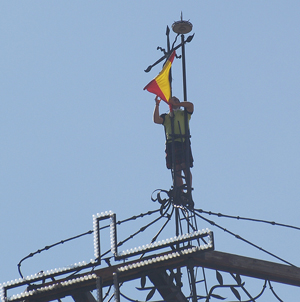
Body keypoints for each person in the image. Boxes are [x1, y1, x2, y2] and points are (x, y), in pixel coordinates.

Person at [153, 95, 194, 191]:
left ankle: (188, 189)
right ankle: (180, 191)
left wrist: (177, 104)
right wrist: (157, 105)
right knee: (176, 169)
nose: (175, 100)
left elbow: (191, 105)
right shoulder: (166, 116)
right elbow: (156, 120)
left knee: (185, 166)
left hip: (183, 141)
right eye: (173, 99)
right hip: (172, 143)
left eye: (177, 99)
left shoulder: (184, 113)